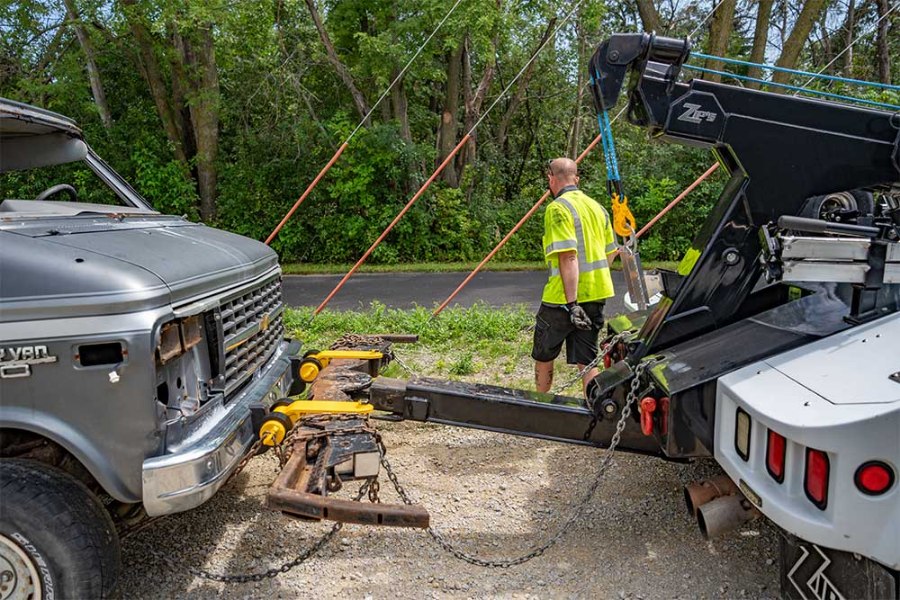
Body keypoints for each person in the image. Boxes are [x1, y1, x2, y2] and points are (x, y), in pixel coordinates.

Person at [532, 157, 617, 396]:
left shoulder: (558, 208)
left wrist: (572, 304)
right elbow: (611, 253)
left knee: (544, 354)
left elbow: (568, 257)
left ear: (551, 179)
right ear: (576, 179)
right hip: (595, 296)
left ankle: (540, 404)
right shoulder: (598, 208)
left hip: (562, 299)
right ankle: (597, 409)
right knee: (587, 360)